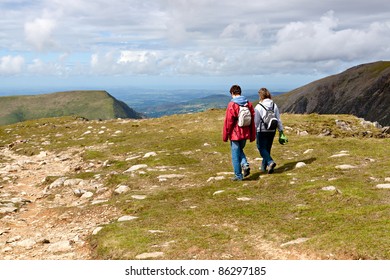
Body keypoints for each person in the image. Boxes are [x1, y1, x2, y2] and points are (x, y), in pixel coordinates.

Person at [223, 85, 256, 181]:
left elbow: (229, 122)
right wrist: (252, 134)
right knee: (240, 150)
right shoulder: (248, 104)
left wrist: (226, 135)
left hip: (235, 134)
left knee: (235, 155)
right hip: (245, 133)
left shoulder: (232, 104)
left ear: (232, 93)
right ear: (240, 92)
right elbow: (252, 119)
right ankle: (245, 165)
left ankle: (238, 175)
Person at [254, 88, 285, 174]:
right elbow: (278, 119)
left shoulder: (259, 106)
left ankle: (270, 162)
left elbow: (256, 122)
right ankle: (264, 167)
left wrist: (253, 132)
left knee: (261, 147)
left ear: (260, 96)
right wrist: (280, 130)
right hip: (272, 130)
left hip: (261, 130)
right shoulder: (274, 105)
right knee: (267, 148)